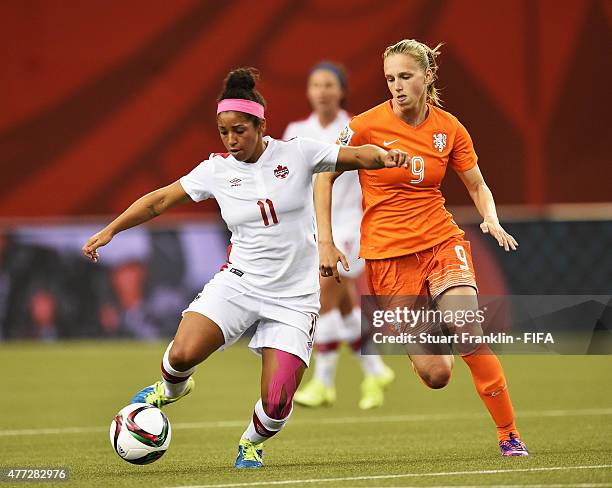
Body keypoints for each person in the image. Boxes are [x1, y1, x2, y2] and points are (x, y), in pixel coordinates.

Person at [82, 68, 408, 469]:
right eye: (223, 132)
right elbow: (159, 201)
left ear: (261, 125)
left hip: (294, 296)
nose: (231, 140)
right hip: (239, 283)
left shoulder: (298, 153)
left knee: (276, 402)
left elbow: (359, 156)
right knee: (181, 354)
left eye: (239, 130)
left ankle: (250, 444)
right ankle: (170, 390)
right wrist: (111, 230)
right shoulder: (215, 170)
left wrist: (386, 156)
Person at [315, 40, 529, 456]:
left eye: (406, 76)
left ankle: (509, 434)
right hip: (388, 257)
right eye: (390, 78)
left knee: (467, 327)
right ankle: (423, 347)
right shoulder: (364, 125)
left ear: (428, 77)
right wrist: (324, 241)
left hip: (440, 241)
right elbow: (323, 175)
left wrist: (490, 216)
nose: (396, 86)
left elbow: (477, 184)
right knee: (437, 374)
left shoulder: (450, 128)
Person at [283, 62, 394, 410]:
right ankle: (374, 369)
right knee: (343, 303)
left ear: (341, 90)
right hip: (313, 225)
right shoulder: (297, 129)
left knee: (322, 296)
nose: (322, 91)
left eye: (329, 84)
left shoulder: (356, 126)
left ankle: (323, 382)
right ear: (308, 91)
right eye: (316, 84)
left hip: (349, 225)